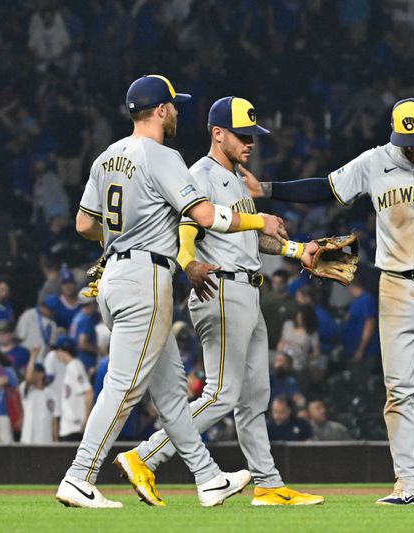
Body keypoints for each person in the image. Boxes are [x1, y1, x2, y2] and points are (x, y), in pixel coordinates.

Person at [243, 97, 414, 506]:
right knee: (399, 390)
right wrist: (267, 189)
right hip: (394, 285)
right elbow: (327, 189)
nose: (410, 146)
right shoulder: (376, 160)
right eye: (404, 139)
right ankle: (407, 484)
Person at [55, 76, 287, 509]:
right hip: (145, 278)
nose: (177, 112)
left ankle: (207, 476)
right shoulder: (161, 154)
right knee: (123, 387)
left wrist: (122, 240)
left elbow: (85, 225)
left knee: (171, 388)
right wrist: (259, 222)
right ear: (160, 110)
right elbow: (203, 213)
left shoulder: (107, 156)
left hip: (116, 274)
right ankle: (79, 475)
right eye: (174, 106)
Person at [116, 95, 323, 507]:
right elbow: (187, 227)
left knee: (254, 399)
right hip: (222, 289)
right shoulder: (200, 175)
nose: (250, 142)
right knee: (221, 394)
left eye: (252, 135)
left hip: (248, 286)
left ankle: (267, 484)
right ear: (217, 133)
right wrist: (188, 262)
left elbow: (249, 237)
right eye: (241, 135)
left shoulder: (238, 177)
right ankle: (144, 456)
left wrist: (298, 250)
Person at [52, 336, 92, 442]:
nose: (55, 353)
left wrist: (87, 418)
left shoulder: (75, 366)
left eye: (57, 349)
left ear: (65, 350)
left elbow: (88, 392)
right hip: (69, 427)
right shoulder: (70, 367)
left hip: (76, 427)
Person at [19, 352, 59, 444]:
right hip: (28, 438)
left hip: (45, 439)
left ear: (41, 374)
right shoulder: (26, 390)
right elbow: (28, 379)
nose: (30, 374)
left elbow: (54, 418)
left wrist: (55, 439)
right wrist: (33, 356)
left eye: (34, 372)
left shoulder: (51, 393)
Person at [69, 292, 100, 373]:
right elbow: (83, 344)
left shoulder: (77, 316)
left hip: (76, 359)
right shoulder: (86, 319)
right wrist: (99, 352)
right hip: (86, 362)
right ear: (91, 303)